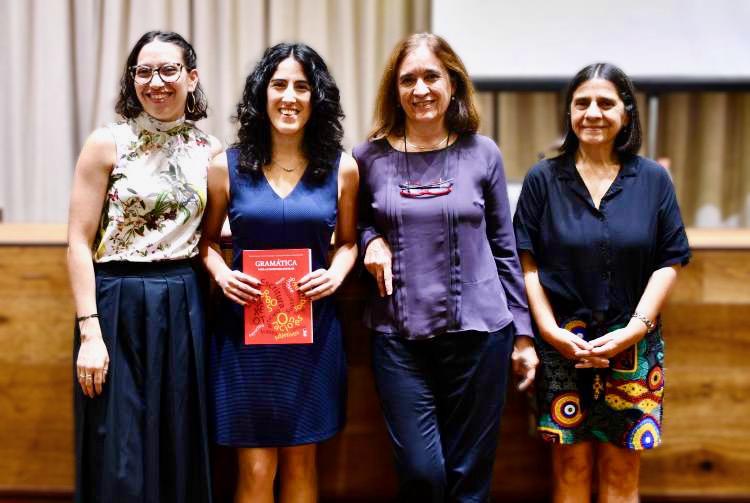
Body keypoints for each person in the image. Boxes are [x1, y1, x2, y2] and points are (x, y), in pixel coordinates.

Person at [354, 33, 538, 502]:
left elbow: (505, 246)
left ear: (452, 84)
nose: (421, 90)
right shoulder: (367, 157)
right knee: (422, 474)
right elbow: (350, 223)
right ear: (395, 90)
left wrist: (522, 334)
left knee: (468, 480)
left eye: (431, 77)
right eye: (408, 79)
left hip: (480, 336)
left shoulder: (484, 153)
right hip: (399, 338)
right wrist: (370, 239)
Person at [513, 63, 691, 502]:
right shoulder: (543, 178)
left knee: (621, 469)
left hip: (634, 343)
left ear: (626, 114)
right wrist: (549, 332)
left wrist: (634, 329)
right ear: (569, 113)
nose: (592, 112)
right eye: (581, 103)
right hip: (562, 345)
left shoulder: (653, 179)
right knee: (569, 469)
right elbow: (525, 261)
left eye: (606, 103)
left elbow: (669, 261)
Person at [199, 43, 358, 503]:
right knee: (255, 464)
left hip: (311, 331)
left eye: (302, 87)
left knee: (301, 458)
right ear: (262, 94)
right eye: (279, 85)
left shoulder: (342, 168)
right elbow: (206, 243)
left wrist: (336, 273)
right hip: (245, 334)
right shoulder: (224, 167)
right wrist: (223, 275)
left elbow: (348, 242)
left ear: (317, 98)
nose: (290, 97)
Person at [67, 30, 221, 502]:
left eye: (169, 70)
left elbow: (213, 236)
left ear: (191, 78)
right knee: (120, 450)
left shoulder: (212, 151)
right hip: (116, 303)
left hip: (185, 302)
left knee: (180, 442)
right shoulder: (106, 143)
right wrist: (90, 330)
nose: (156, 82)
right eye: (143, 71)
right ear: (132, 79)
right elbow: (77, 240)